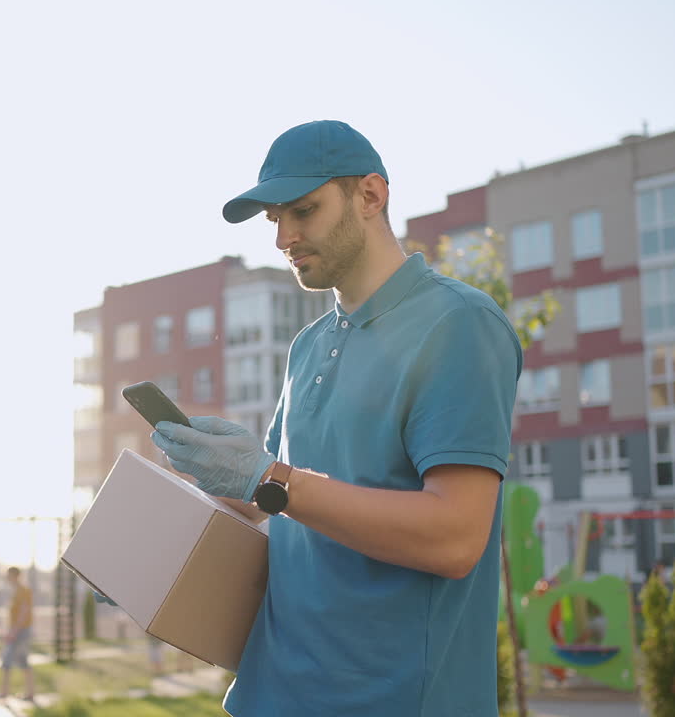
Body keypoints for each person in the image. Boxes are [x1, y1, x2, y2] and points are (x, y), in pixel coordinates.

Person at [149, 120, 522, 715]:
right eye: (275, 219)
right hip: (269, 696)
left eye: (304, 210)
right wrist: (154, 537)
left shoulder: (459, 324)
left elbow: (455, 538)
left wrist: (267, 478)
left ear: (370, 195)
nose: (284, 237)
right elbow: (271, 503)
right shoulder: (307, 345)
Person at [0, 566, 34, 701]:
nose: (7, 578)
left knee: (9, 659)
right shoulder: (16, 591)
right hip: (17, 630)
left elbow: (24, 612)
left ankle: (5, 692)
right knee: (20, 660)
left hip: (20, 631)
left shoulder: (23, 591)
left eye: (8, 575)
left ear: (15, 576)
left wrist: (13, 632)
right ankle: (26, 693)